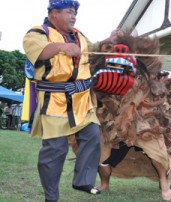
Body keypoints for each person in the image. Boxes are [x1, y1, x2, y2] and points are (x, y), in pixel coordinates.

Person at [23, 1, 122, 201]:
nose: (74, 16)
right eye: (70, 12)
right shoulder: (37, 33)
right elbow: (40, 52)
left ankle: (82, 180)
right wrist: (62, 47)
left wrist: (110, 39)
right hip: (54, 101)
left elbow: (93, 49)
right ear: (54, 13)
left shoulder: (79, 35)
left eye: (75, 13)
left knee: (93, 135)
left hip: (82, 100)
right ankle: (51, 197)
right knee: (56, 150)